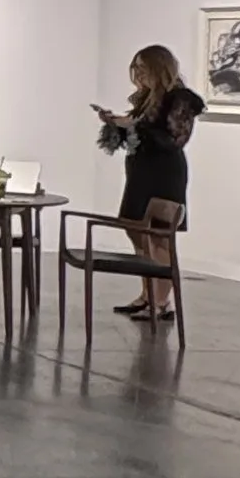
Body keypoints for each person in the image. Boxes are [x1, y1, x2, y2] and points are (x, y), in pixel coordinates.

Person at [93, 45, 204, 320]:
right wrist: (116, 123)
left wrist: (132, 124)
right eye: (136, 69)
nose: (138, 74)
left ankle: (161, 302)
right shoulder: (147, 99)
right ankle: (147, 295)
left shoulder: (181, 99)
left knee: (159, 237)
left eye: (143, 68)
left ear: (159, 68)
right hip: (140, 173)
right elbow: (139, 132)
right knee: (136, 230)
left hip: (164, 175)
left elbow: (174, 139)